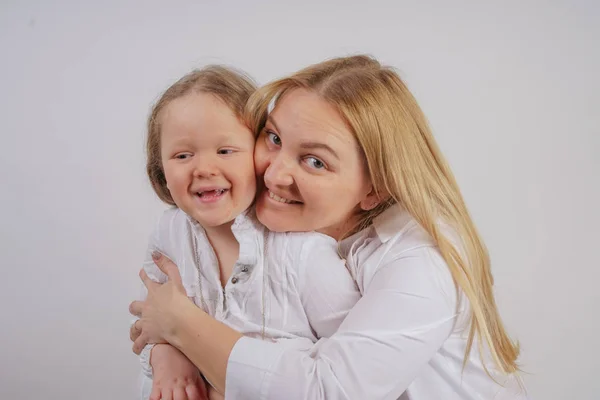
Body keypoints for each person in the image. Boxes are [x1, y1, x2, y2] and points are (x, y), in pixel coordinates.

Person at [130, 55, 527, 399]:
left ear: (374, 190)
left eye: (315, 161)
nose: (275, 172)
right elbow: (153, 321)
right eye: (273, 138)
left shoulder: (421, 265)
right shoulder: (256, 235)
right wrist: (167, 346)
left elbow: (326, 391)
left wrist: (180, 326)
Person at [136, 65, 360, 400]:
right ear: (160, 168)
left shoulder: (303, 252)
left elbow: (349, 366)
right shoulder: (169, 233)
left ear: (259, 154)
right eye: (183, 155)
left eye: (225, 151)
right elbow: (148, 322)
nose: (204, 168)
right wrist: (164, 354)